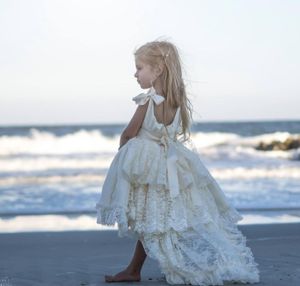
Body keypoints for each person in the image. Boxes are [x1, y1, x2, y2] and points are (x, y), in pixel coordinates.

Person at [95, 40, 260, 285]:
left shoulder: (148, 100)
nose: (135, 73)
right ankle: (134, 268)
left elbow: (130, 133)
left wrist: (121, 157)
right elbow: (170, 133)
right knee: (156, 217)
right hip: (170, 163)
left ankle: (136, 269)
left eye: (140, 68)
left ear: (158, 69)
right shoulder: (177, 100)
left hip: (145, 166)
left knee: (149, 217)